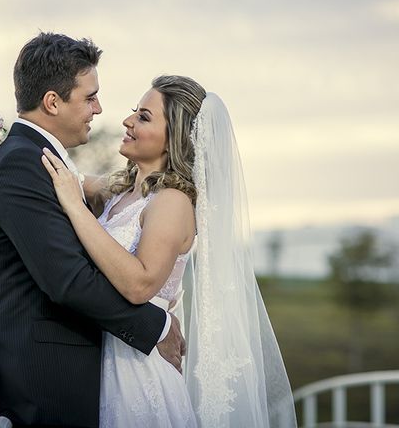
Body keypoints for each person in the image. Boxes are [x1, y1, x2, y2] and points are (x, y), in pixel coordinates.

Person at [42, 75, 297, 427]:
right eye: (134, 112)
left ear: (172, 138)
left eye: (144, 117)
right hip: (102, 354)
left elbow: (140, 283)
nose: (127, 121)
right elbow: (59, 172)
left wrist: (75, 208)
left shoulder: (173, 202)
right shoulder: (121, 191)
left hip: (135, 371)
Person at [0, 33, 185, 428]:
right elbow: (68, 280)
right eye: (89, 97)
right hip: (38, 383)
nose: (100, 109)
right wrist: (156, 327)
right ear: (53, 102)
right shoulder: (23, 165)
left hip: (91, 377)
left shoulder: (44, 163)